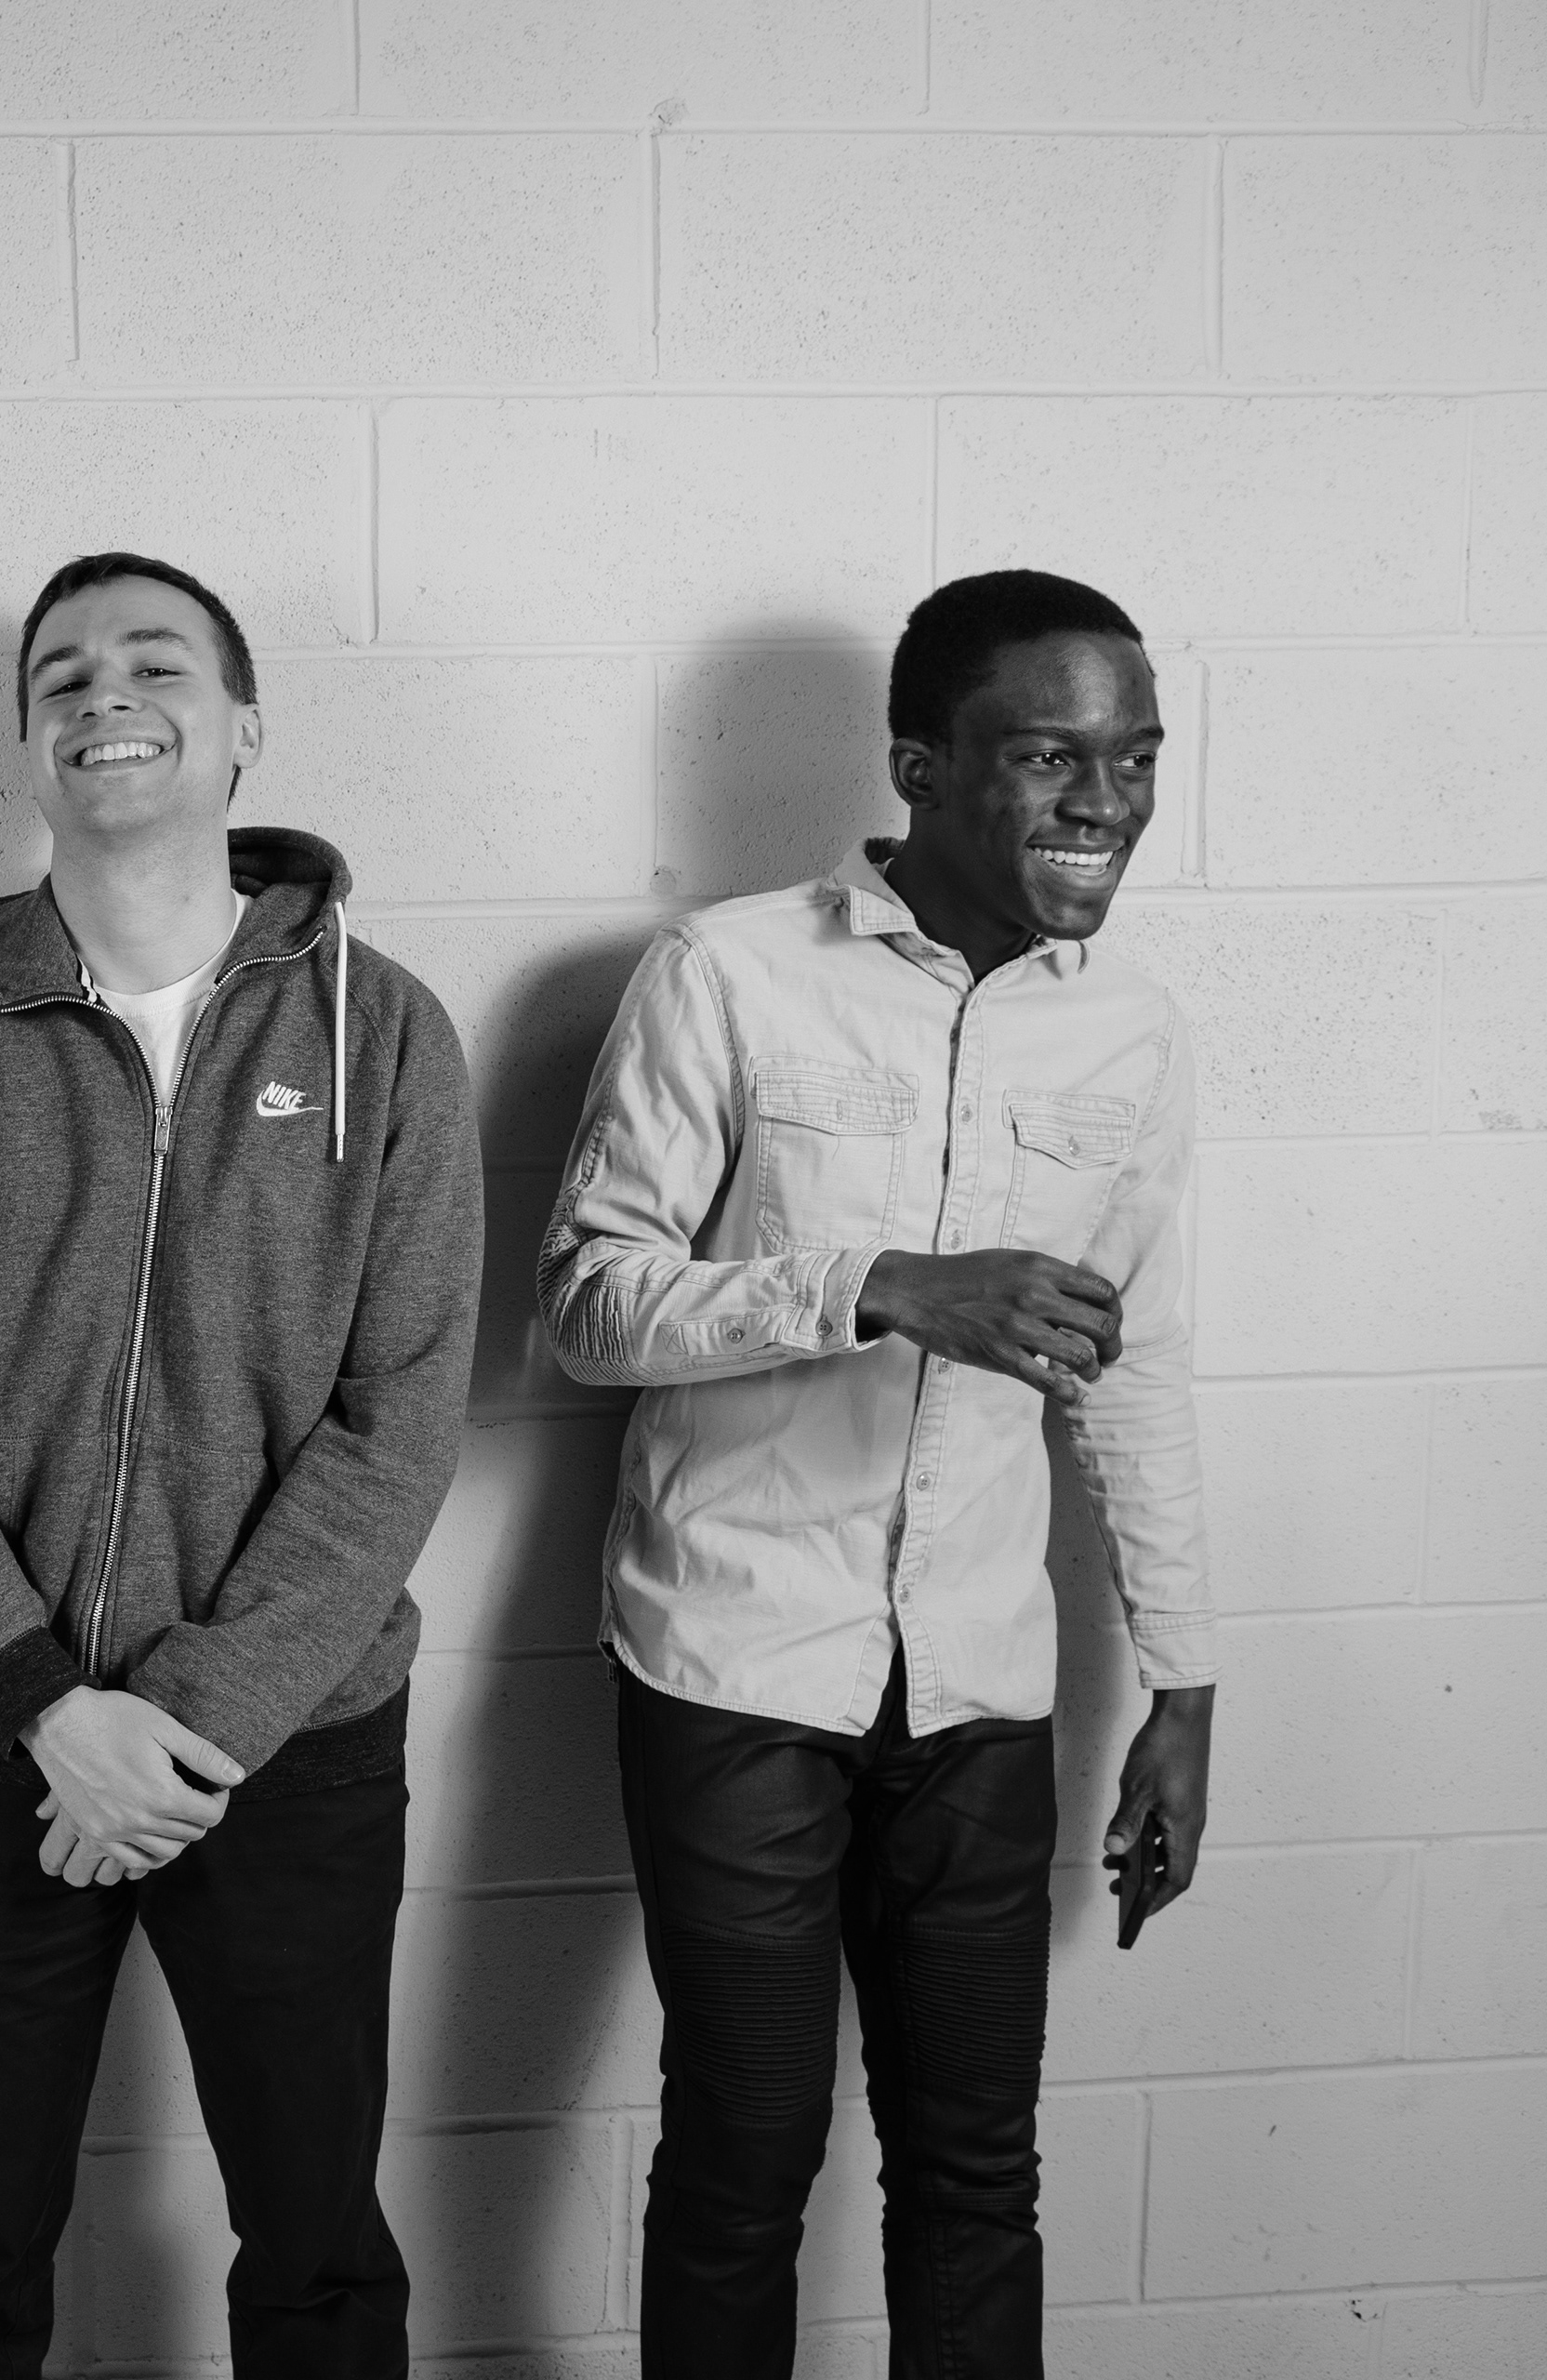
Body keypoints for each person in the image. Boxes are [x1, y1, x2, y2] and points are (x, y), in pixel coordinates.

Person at [538, 569, 1220, 2380]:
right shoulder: (730, 970)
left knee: (978, 2174)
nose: (1105, 800)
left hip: (982, 1686)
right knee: (745, 2160)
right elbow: (585, 1303)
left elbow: (1138, 1372)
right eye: (1050, 754)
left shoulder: (1134, 1029)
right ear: (920, 764)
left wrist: (1185, 1681)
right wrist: (877, 1286)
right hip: (736, 1663)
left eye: (1137, 756)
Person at [0, 552, 483, 2378]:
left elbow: (402, 1415)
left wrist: (188, 1722)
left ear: (244, 727)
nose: (105, 693)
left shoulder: (385, 1034)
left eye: (156, 662)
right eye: (63, 672)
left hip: (292, 1744)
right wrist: (48, 1706)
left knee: (318, 2249)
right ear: (30, 742)